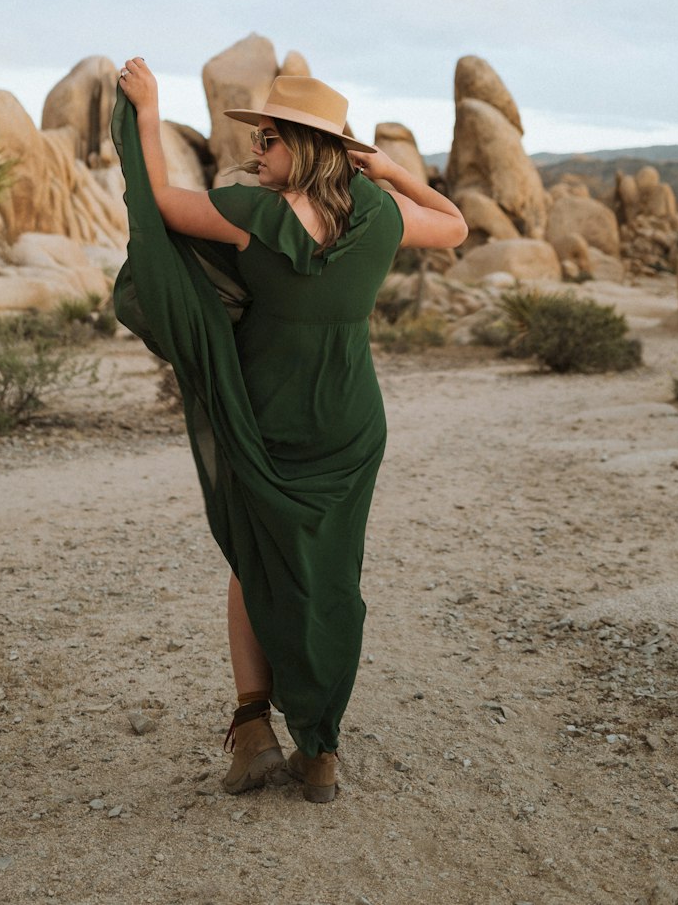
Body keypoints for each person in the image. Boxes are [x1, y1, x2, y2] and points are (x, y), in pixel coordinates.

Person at [111, 58, 467, 803]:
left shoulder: (253, 218)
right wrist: (394, 170)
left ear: (304, 146)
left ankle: (253, 732)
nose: (256, 151)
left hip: (268, 425)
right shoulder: (381, 215)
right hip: (350, 423)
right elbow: (458, 225)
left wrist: (147, 113)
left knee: (254, 562)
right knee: (331, 577)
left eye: (269, 138)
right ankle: (320, 752)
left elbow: (157, 207)